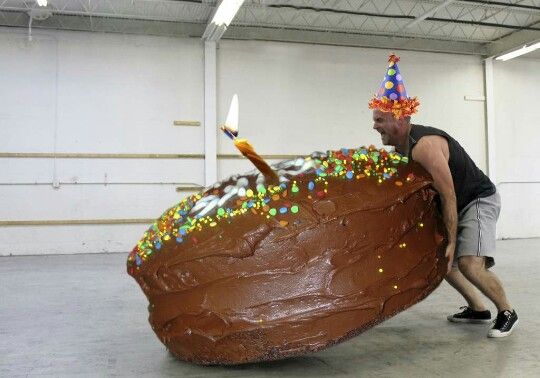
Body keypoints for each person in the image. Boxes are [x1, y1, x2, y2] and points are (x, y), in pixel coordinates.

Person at [367, 54, 518, 338]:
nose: (375, 126)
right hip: (458, 203)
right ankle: (478, 309)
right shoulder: (400, 150)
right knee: (441, 261)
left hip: (477, 200)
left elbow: (448, 196)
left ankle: (507, 311)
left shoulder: (425, 146)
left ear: (399, 118)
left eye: (379, 120)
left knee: (468, 264)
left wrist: (450, 241)